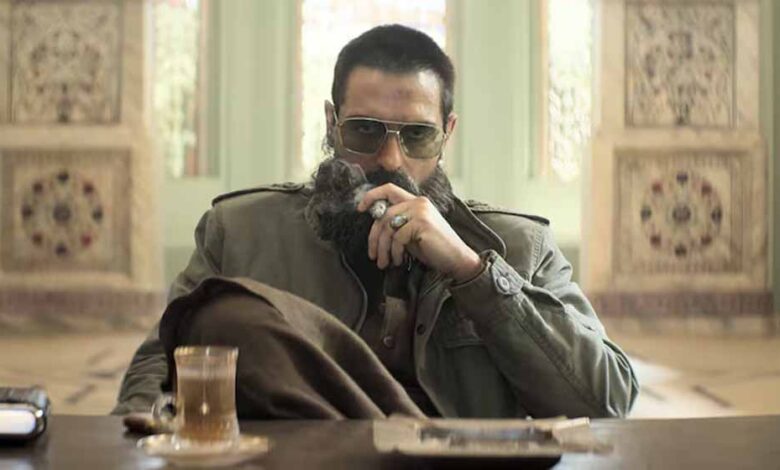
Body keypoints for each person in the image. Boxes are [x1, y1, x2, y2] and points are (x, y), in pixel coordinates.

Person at [113, 24, 638, 419]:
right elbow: (157, 371)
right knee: (229, 317)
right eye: (365, 132)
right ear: (331, 125)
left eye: (417, 136)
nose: (390, 160)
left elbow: (607, 402)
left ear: (447, 135)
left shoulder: (520, 246)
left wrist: (472, 272)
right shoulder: (241, 231)